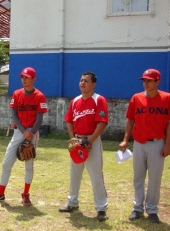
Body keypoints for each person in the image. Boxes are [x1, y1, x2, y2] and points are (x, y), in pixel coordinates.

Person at [0, 67, 48, 206]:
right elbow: (14, 115)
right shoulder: (17, 94)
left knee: (29, 165)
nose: (24, 80)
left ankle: (25, 194)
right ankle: (0, 193)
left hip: (32, 133)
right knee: (6, 163)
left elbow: (40, 117)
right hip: (19, 131)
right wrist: (23, 131)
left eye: (27, 77)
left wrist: (31, 133)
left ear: (33, 79)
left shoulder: (39, 96)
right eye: (22, 77)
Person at [119, 69, 170, 223]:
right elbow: (130, 121)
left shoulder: (167, 98)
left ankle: (152, 209)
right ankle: (137, 208)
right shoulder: (137, 98)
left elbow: (169, 124)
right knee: (138, 177)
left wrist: (168, 144)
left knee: (155, 178)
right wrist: (125, 139)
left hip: (157, 143)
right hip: (139, 143)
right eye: (144, 80)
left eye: (149, 80)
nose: (146, 83)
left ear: (157, 82)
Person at [58, 71, 109, 222]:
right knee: (75, 174)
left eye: (86, 81)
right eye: (81, 80)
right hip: (77, 141)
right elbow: (69, 121)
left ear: (94, 84)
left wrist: (90, 141)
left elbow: (102, 122)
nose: (82, 83)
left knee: (96, 176)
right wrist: (73, 138)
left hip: (92, 140)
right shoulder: (75, 101)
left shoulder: (99, 100)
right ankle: (72, 203)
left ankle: (101, 208)